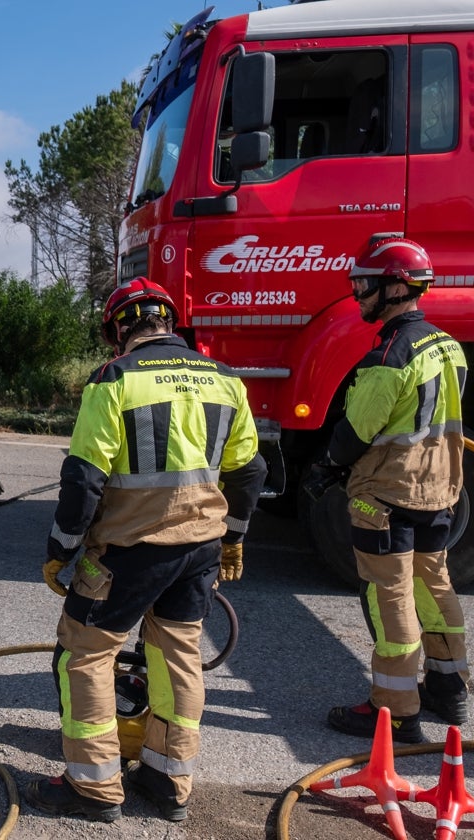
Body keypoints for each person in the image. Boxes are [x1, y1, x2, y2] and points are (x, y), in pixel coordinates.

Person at [23, 278, 266, 824]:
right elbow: (249, 470)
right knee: (177, 659)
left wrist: (61, 550)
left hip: (128, 552)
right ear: (168, 321)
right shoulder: (226, 380)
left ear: (118, 329)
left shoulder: (114, 379)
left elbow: (83, 478)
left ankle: (93, 787)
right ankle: (166, 780)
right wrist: (232, 538)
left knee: (82, 656)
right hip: (199, 549)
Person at [314, 237, 469, 743]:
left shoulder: (389, 354)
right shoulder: (446, 344)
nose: (358, 293)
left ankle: (395, 711)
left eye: (365, 284)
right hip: (439, 491)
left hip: (387, 495)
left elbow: (358, 430)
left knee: (390, 597)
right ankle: (450, 690)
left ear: (397, 287)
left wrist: (327, 468)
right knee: (434, 586)